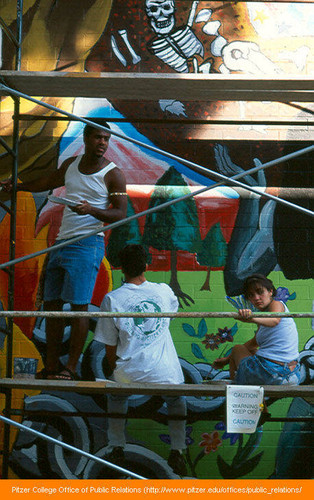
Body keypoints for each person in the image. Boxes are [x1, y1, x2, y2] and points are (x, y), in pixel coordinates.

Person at [1, 120, 127, 380]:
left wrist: (91, 209)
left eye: (106, 138)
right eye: (98, 138)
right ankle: (51, 366)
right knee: (52, 306)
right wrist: (19, 186)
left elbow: (120, 213)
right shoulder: (71, 164)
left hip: (87, 244)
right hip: (61, 243)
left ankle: (70, 368)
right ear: (86, 137)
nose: (102, 143)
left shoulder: (113, 174)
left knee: (79, 307)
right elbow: (48, 180)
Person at [93, 244, 188, 476]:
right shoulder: (164, 291)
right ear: (147, 265)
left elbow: (109, 345)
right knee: (176, 401)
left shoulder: (112, 299)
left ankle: (116, 445)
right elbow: (169, 316)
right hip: (166, 372)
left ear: (120, 268)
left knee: (116, 395)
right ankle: (177, 449)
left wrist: (116, 369)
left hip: (130, 371)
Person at [213, 274, 300, 386]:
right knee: (252, 352)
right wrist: (226, 360)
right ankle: (242, 390)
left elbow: (275, 321)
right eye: (251, 295)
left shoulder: (276, 304)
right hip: (292, 375)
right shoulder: (263, 318)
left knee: (237, 348)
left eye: (260, 292)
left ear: (270, 292)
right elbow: (253, 344)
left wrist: (251, 318)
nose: (256, 298)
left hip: (272, 372)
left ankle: (237, 391)